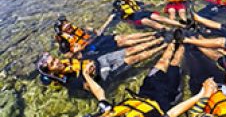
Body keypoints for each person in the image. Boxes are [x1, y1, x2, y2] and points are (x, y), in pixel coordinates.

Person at [70, 44, 208, 117]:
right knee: (175, 64)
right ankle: (183, 46)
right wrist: (201, 95)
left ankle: (173, 42)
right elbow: (172, 113)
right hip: (164, 99)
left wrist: (86, 75)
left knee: (161, 62)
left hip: (146, 93)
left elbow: (99, 93)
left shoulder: (109, 114)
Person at [36, 36, 168, 94]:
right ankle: (162, 47)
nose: (57, 61)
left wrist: (79, 52)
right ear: (52, 72)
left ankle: (158, 39)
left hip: (101, 60)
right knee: (135, 58)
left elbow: (78, 55)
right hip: (104, 72)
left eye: (54, 59)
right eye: (53, 63)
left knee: (131, 50)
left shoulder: (65, 61)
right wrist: (88, 74)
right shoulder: (68, 81)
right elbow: (90, 88)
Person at [54, 15, 158, 58]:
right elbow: (67, 56)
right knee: (122, 42)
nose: (67, 25)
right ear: (61, 31)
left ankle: (153, 35)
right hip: (91, 48)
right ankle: (153, 40)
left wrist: (97, 28)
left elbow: (92, 30)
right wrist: (75, 52)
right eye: (64, 25)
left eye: (66, 22)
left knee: (122, 37)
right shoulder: (64, 43)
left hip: (98, 40)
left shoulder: (77, 29)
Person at [113, 0, 185, 30]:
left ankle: (182, 25)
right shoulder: (118, 4)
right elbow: (118, 14)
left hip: (142, 12)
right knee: (149, 22)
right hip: (134, 17)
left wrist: (151, 4)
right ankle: (169, 30)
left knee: (159, 18)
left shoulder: (132, 1)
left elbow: (142, 4)